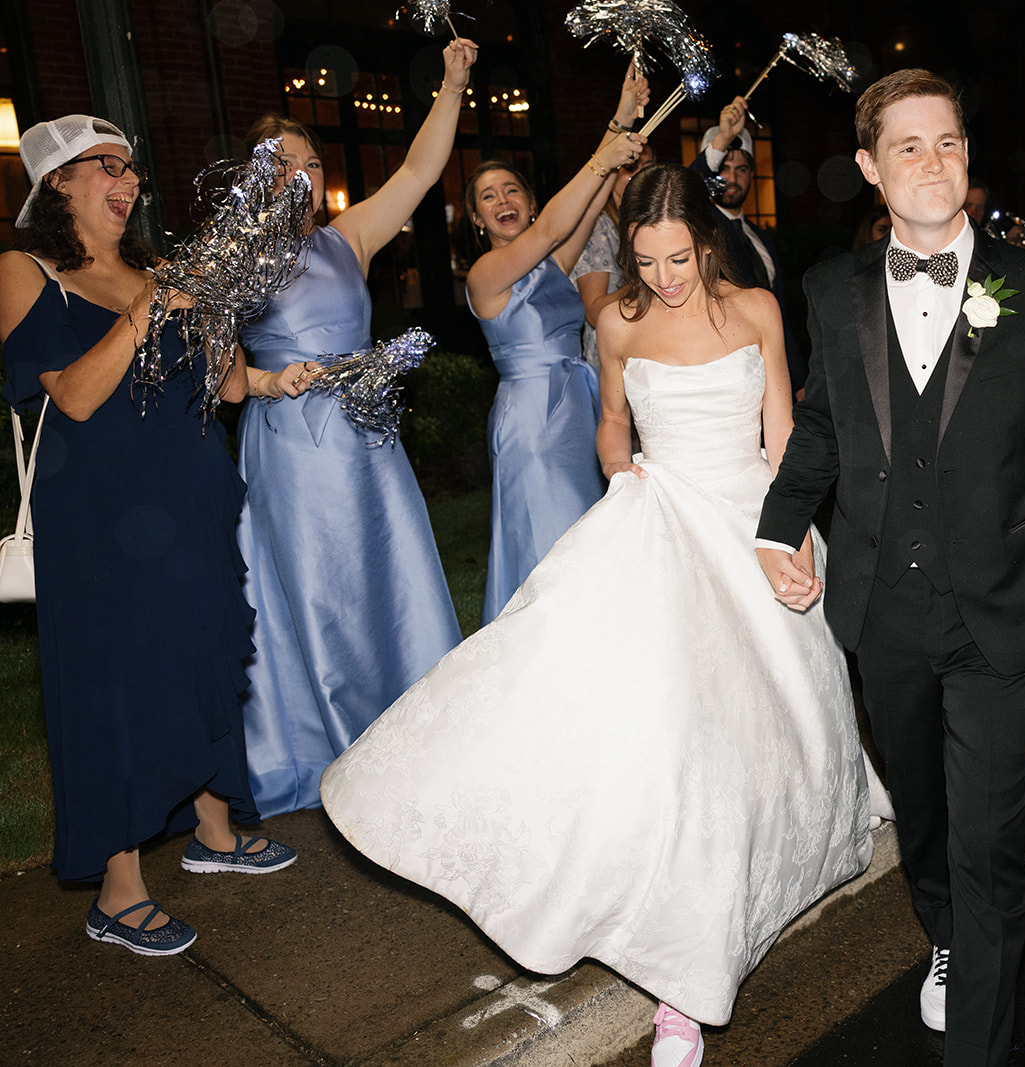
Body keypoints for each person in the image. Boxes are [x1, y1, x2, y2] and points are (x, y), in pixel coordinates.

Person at [319, 163, 875, 1067]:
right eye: (647, 260)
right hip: (660, 525)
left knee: (773, 723)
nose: (663, 276)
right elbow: (611, 427)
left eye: (679, 257)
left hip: (752, 525)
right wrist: (625, 480)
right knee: (670, 743)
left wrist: (796, 533)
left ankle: (773, 871)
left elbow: (784, 436)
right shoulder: (615, 323)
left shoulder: (759, 311)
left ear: (706, 241)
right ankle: (682, 986)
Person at [755, 69, 1025, 1067]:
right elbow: (820, 423)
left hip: (997, 612)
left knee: (989, 843)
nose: (931, 162)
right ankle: (944, 933)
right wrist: (777, 527)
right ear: (868, 167)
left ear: (967, 154)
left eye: (947, 141)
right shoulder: (833, 287)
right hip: (881, 609)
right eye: (906, 146)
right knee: (923, 813)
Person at [0, 116, 295, 956]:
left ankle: (214, 831)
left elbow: (231, 385)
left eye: (131, 167)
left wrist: (219, 299)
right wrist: (148, 306)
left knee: (202, 659)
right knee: (116, 686)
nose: (126, 181)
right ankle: (117, 886)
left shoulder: (156, 270)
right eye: (104, 166)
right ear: (57, 182)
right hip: (101, 527)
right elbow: (78, 395)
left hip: (189, 510)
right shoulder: (26, 273)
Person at [235, 38, 477, 818]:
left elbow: (417, 171)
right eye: (280, 163)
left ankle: (407, 730)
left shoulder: (347, 239)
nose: (299, 175)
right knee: (318, 590)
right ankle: (329, 747)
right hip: (290, 447)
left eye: (308, 162)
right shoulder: (234, 262)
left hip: (366, 440)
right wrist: (270, 379)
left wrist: (450, 83)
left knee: (389, 579)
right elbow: (213, 371)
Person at [465, 69, 646, 623]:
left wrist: (620, 122)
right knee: (552, 539)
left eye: (512, 189)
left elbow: (587, 211)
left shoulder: (550, 267)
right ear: (476, 220)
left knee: (585, 531)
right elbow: (549, 231)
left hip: (575, 410)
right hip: (532, 422)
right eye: (488, 197)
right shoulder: (486, 274)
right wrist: (604, 154)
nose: (503, 200)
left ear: (532, 197)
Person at [690, 97, 807, 396]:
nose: (731, 178)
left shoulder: (761, 237)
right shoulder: (699, 228)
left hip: (771, 375)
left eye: (741, 169)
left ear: (752, 174)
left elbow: (777, 314)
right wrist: (723, 139)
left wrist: (799, 382)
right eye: (723, 167)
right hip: (722, 374)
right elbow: (688, 190)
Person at [573, 138, 655, 367]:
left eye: (647, 167)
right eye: (630, 167)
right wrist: (648, 279)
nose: (639, 174)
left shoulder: (654, 223)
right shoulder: (599, 227)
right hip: (613, 355)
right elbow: (594, 312)